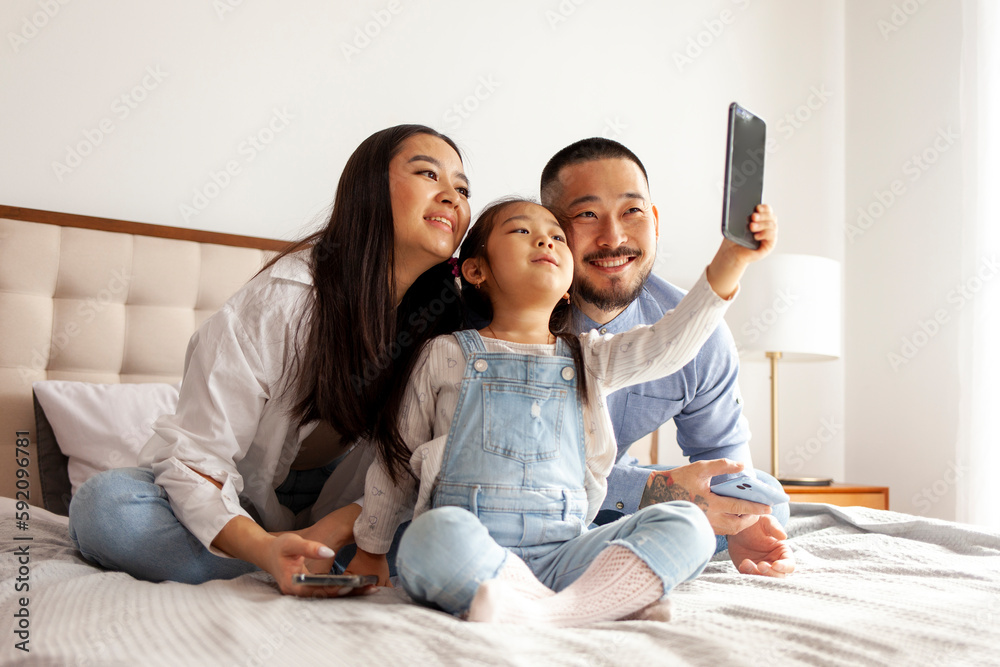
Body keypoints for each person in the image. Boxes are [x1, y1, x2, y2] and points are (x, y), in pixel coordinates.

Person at [67, 124, 472, 595]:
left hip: (360, 515)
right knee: (106, 508)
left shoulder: (449, 328)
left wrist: (347, 526)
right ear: (368, 190)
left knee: (460, 524)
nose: (452, 197)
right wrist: (261, 546)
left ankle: (319, 555)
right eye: (429, 174)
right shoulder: (286, 299)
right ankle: (288, 560)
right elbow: (197, 458)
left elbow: (429, 467)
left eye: (462, 188)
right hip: (241, 501)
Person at [346, 196, 776, 626]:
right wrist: (371, 548)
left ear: (569, 280)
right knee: (428, 538)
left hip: (568, 552)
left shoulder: (589, 358)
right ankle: (590, 603)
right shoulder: (444, 354)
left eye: (557, 237)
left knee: (688, 523)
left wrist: (732, 258)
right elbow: (396, 459)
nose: (546, 242)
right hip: (476, 549)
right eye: (522, 231)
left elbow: (670, 343)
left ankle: (545, 610)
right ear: (476, 270)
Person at [539, 137, 793, 577]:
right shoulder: (512, 319)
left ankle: (632, 543)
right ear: (553, 232)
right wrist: (653, 491)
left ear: (654, 222)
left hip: (618, 501)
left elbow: (725, 462)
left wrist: (741, 516)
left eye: (631, 212)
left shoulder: (697, 333)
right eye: (586, 215)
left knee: (769, 499)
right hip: (535, 496)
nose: (613, 237)